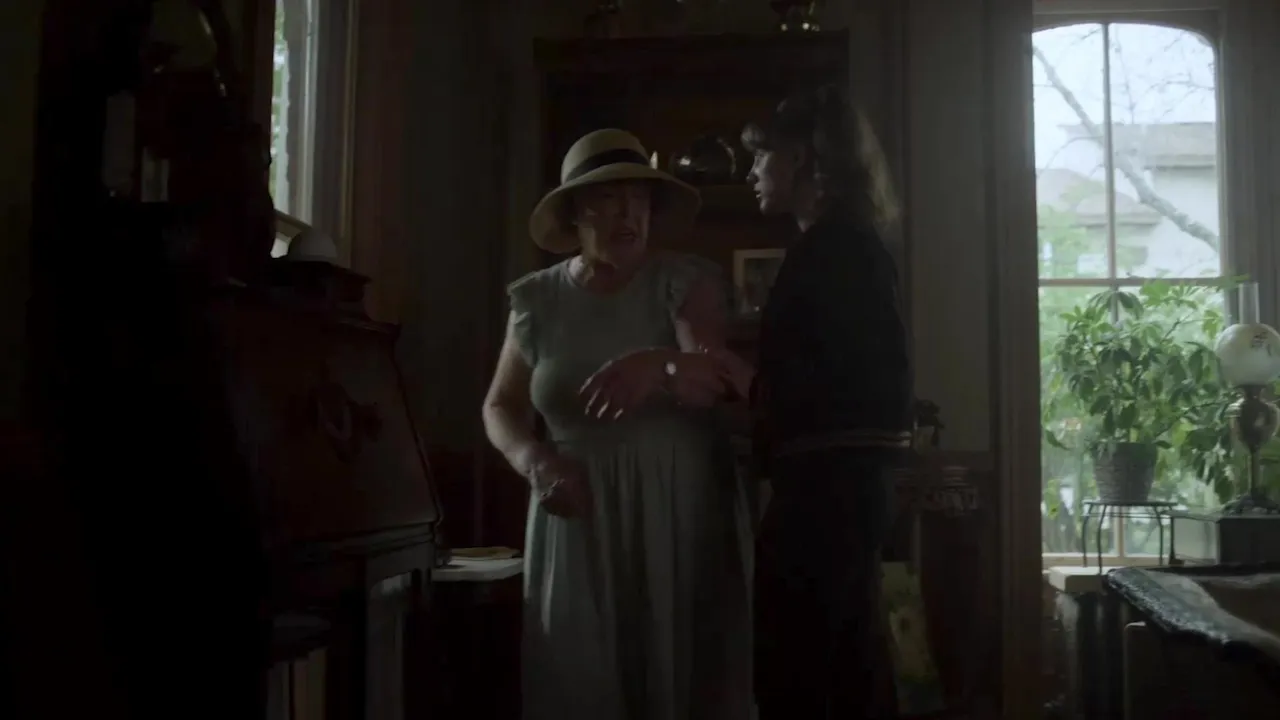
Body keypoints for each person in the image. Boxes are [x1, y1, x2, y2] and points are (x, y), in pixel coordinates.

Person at [481, 129, 754, 720]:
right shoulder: (538, 300)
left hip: (672, 506)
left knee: (676, 677)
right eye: (608, 199)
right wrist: (534, 461)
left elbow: (714, 377)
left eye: (638, 200)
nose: (627, 214)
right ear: (575, 212)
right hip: (574, 513)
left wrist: (659, 365)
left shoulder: (683, 281)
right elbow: (499, 407)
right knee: (578, 680)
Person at [738, 85, 914, 719]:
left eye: (763, 156)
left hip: (825, 497)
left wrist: (734, 379)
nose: (753, 171)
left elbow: (836, 388)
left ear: (804, 160)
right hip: (840, 493)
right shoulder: (847, 247)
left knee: (808, 675)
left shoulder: (832, 252)